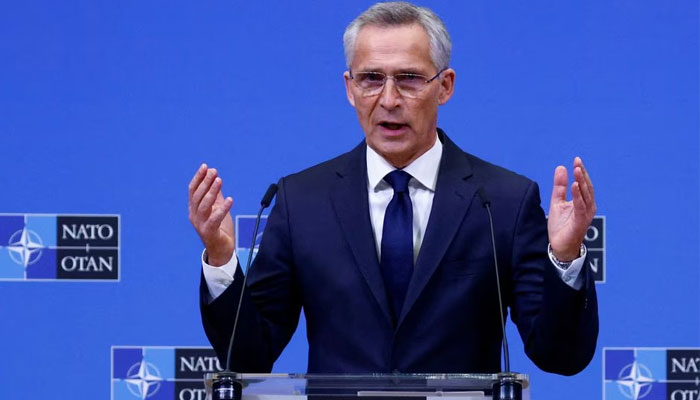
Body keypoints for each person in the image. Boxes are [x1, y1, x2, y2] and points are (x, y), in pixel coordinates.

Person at [189, 2, 598, 375]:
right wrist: (224, 260)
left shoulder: (503, 202)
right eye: (371, 79)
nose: (388, 99)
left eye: (409, 79)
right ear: (349, 88)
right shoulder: (302, 202)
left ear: (445, 85)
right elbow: (250, 357)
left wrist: (563, 258)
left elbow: (560, 356)